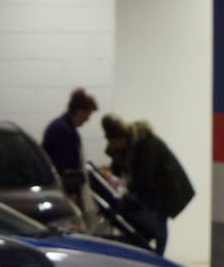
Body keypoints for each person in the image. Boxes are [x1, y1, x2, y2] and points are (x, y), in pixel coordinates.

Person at [101, 114, 194, 255]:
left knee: (159, 221)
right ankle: (151, 251)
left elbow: (144, 175)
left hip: (169, 187)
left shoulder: (148, 144)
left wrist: (128, 191)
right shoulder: (125, 145)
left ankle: (158, 257)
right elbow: (117, 168)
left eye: (114, 143)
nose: (113, 147)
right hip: (155, 187)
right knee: (152, 221)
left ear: (122, 139)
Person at [42, 89, 98, 212]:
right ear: (80, 112)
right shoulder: (67, 132)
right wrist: (72, 193)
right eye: (88, 115)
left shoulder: (58, 126)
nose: (87, 120)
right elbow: (68, 167)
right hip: (63, 192)